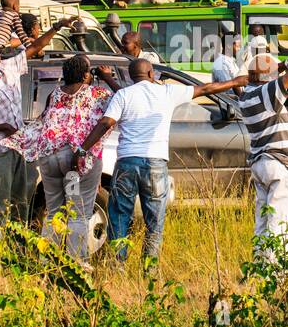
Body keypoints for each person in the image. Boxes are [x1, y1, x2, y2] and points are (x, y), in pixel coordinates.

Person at [73, 58, 246, 266]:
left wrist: (83, 149)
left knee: (119, 217)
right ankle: (150, 270)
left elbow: (105, 123)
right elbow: (207, 88)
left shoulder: (124, 95)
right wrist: (236, 81)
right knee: (154, 222)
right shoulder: (167, 93)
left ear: (131, 76)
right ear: (151, 74)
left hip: (127, 162)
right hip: (155, 164)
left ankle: (118, 266)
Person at [0, 18, 82, 249]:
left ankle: (17, 249)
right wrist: (2, 127)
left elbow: (35, 48)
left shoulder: (7, 70)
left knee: (21, 201)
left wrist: (56, 27)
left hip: (21, 147)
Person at [7, 54, 120, 263]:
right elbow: (126, 97)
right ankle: (76, 262)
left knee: (54, 212)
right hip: (75, 163)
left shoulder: (54, 94)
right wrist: (107, 77)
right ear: (86, 74)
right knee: (78, 213)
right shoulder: (99, 93)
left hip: (49, 157)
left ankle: (47, 262)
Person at [239, 51, 288, 265]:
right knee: (281, 223)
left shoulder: (247, 94)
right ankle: (276, 274)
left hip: (262, 164)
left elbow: (264, 72)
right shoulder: (266, 93)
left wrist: (283, 63)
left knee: (263, 222)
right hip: (282, 165)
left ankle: (260, 267)